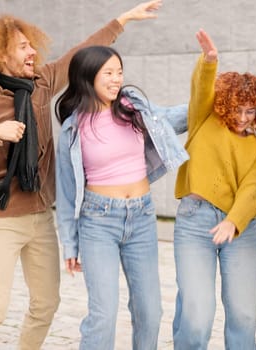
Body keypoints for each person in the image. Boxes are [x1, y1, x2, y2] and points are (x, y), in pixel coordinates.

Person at [0, 1, 162, 349]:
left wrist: (121, 21)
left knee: (46, 305)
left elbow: (79, 54)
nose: (32, 51)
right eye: (23, 47)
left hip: (42, 216)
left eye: (30, 44)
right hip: (4, 218)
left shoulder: (39, 83)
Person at [54, 45, 188, 350]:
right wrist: (70, 243)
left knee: (150, 312)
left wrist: (210, 100)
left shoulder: (132, 107)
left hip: (142, 217)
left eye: (120, 72)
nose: (117, 79)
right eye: (108, 73)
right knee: (103, 314)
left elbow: (169, 119)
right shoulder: (73, 129)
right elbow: (65, 190)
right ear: (88, 77)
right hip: (98, 222)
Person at [172, 29, 256, 350]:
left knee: (243, 317)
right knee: (197, 317)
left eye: (251, 111)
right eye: (237, 109)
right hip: (195, 222)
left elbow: (251, 191)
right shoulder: (203, 119)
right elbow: (200, 88)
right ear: (224, 104)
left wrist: (232, 222)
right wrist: (209, 61)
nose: (242, 117)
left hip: (240, 230)